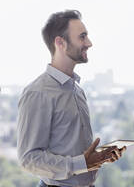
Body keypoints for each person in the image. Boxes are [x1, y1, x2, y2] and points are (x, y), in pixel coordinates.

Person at [17, 10, 122, 187]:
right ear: (60, 42)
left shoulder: (77, 90)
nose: (89, 43)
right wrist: (81, 164)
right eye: (82, 37)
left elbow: (71, 148)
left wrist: (99, 157)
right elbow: (29, 158)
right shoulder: (38, 92)